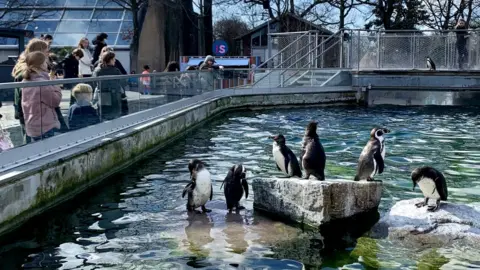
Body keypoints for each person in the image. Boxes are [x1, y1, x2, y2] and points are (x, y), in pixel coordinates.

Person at [12, 38, 50, 144]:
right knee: (31, 142)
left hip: (28, 112)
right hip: (30, 113)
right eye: (46, 50)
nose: (48, 53)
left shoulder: (26, 67)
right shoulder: (27, 71)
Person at [21, 51, 62, 142]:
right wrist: (55, 84)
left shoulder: (26, 80)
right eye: (45, 61)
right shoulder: (41, 82)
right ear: (41, 64)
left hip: (32, 126)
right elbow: (55, 101)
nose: (47, 64)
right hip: (45, 127)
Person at [92, 51, 127, 121]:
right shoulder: (116, 70)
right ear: (110, 60)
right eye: (114, 59)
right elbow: (123, 82)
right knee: (114, 116)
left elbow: (94, 83)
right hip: (114, 95)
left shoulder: (97, 70)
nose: (115, 61)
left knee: (103, 115)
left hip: (103, 95)